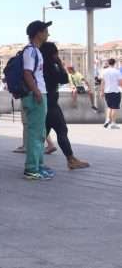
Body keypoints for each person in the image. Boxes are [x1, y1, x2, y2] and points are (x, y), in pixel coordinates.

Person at [40, 42, 90, 170]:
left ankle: (35, 162)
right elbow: (64, 79)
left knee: (40, 135)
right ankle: (71, 160)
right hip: (51, 104)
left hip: (41, 103)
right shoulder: (50, 66)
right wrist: (60, 64)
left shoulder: (39, 65)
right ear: (53, 54)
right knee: (62, 131)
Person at [21, 21, 55, 180]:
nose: (48, 34)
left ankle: (39, 165)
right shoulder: (30, 52)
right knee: (35, 133)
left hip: (40, 93)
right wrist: (37, 92)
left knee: (40, 132)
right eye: (46, 31)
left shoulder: (36, 51)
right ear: (38, 33)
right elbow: (27, 73)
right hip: (36, 95)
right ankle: (31, 169)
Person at [101, 58, 122, 129]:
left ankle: (107, 120)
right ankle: (113, 123)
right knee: (114, 108)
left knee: (109, 107)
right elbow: (120, 83)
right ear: (114, 63)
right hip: (116, 91)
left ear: (108, 63)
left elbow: (103, 82)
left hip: (107, 91)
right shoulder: (117, 71)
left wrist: (102, 91)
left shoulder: (104, 71)